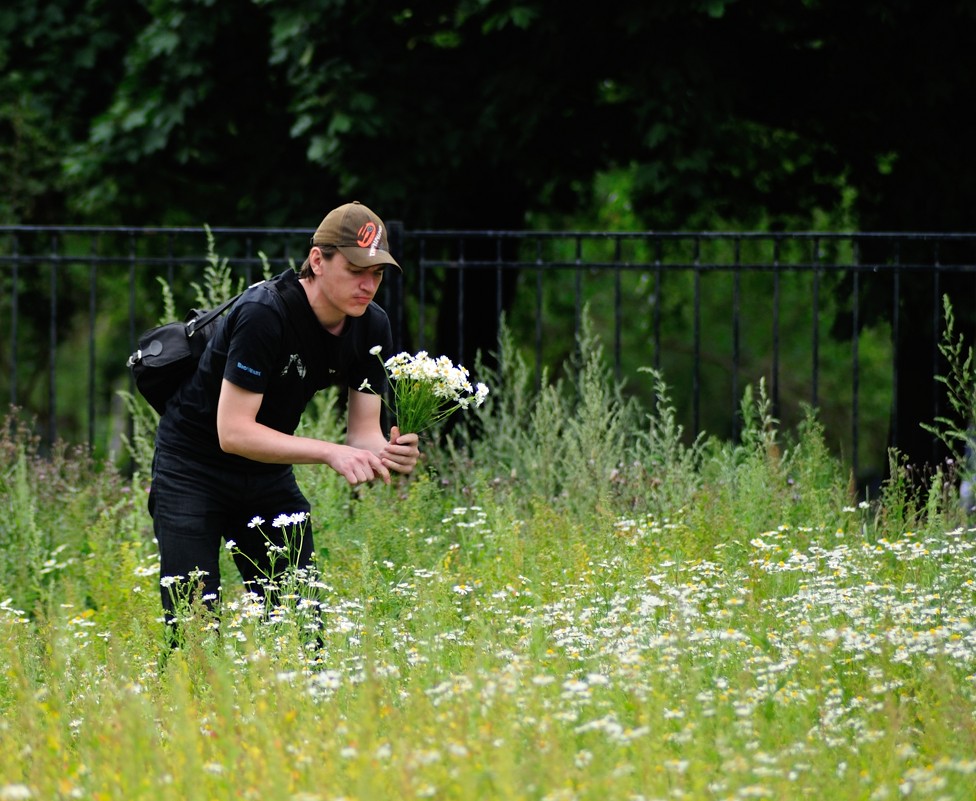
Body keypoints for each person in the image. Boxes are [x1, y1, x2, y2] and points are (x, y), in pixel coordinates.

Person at [148, 200, 420, 635]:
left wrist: (387, 453)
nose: (368, 284)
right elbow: (233, 432)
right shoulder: (265, 313)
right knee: (193, 631)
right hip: (192, 468)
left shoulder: (372, 327)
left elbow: (363, 434)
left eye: (378, 273)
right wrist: (330, 453)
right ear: (318, 260)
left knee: (299, 633)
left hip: (266, 476)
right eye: (355, 270)